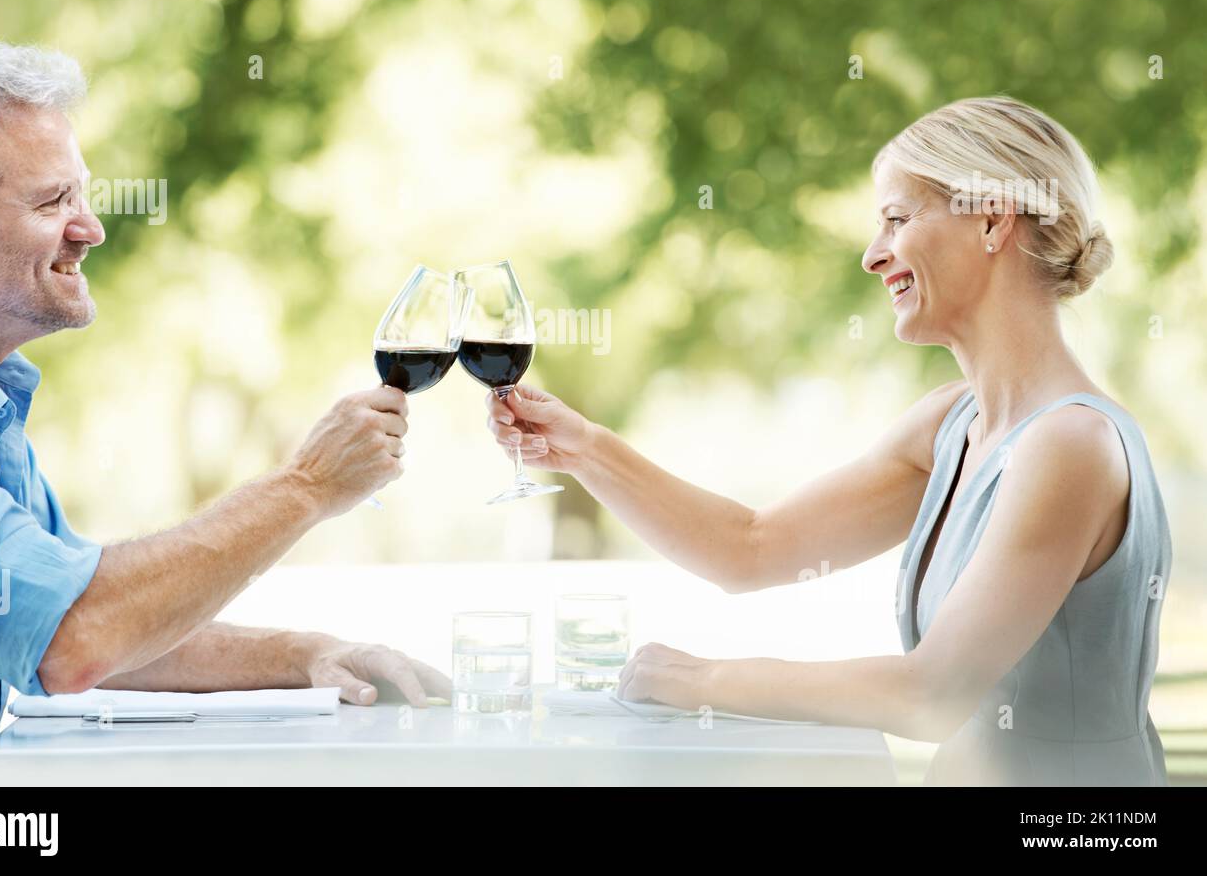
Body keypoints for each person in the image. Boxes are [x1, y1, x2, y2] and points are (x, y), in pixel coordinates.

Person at [485, 96, 1173, 786]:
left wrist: (705, 679)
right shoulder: (950, 427)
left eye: (898, 220)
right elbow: (749, 547)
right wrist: (585, 449)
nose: (874, 256)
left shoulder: (1072, 443)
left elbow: (930, 693)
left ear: (992, 219)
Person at [0, 40, 449, 787]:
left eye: (82, 194)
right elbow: (74, 637)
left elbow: (87, 619)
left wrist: (305, 656)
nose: (89, 228)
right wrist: (305, 487)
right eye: (51, 201)